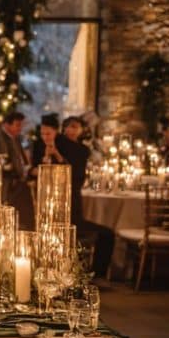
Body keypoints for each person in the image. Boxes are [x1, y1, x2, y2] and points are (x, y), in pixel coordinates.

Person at [58, 117, 114, 278]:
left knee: (106, 233)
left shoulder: (82, 149)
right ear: (64, 129)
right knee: (107, 234)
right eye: (70, 127)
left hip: (75, 205)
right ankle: (97, 275)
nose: (73, 130)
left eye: (77, 127)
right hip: (70, 213)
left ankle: (94, 273)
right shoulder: (68, 147)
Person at [0, 111, 35, 230]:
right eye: (17, 125)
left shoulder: (16, 139)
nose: (20, 128)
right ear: (7, 124)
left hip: (16, 181)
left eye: (21, 125)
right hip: (1, 181)